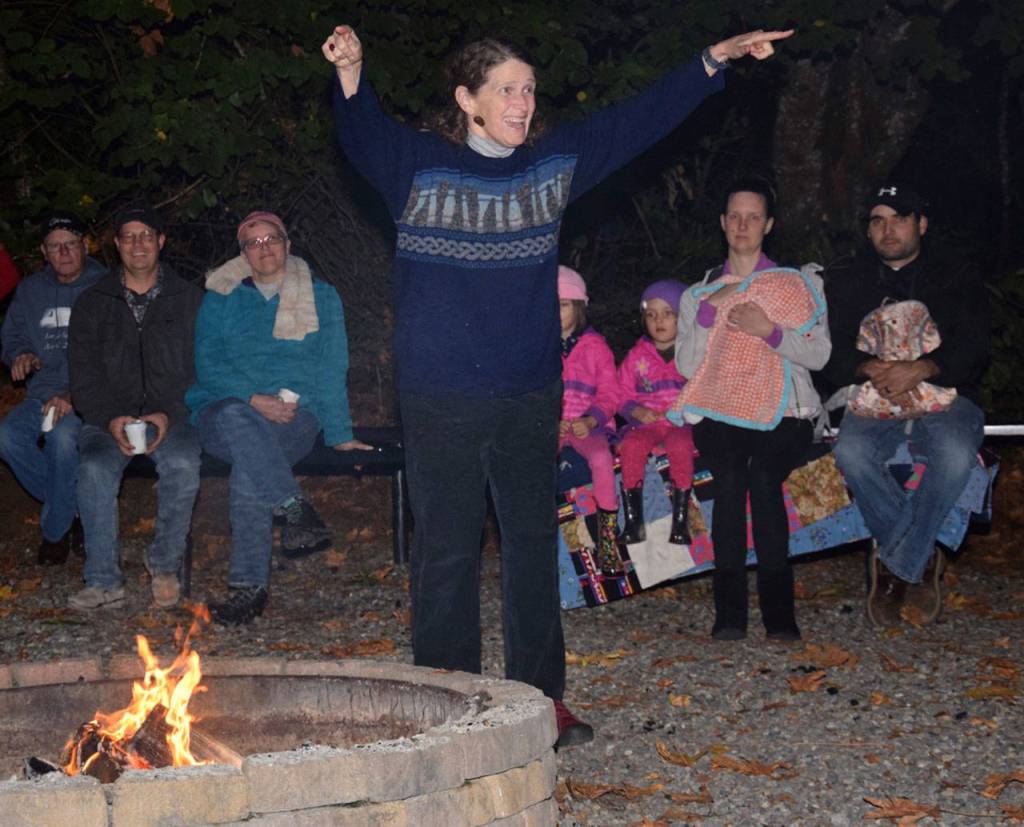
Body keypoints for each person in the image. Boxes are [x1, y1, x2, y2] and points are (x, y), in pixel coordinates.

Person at [321, 22, 792, 748]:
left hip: (526, 393)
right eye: (506, 89)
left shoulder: (551, 169)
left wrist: (709, 61)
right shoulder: (417, 166)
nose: (522, 101)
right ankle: (450, 701)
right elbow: (362, 133)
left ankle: (541, 698)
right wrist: (352, 73)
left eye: (529, 90)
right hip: (440, 396)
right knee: (445, 548)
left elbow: (634, 121)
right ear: (468, 100)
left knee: (532, 544)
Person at [185, 211, 371, 625]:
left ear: (288, 243)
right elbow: (207, 364)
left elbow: (330, 366)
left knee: (252, 468)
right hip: (223, 410)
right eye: (254, 242)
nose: (264, 248)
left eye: (272, 239)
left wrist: (339, 432)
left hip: (294, 417)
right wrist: (253, 399)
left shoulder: (321, 296)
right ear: (244, 253)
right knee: (238, 418)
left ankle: (248, 591)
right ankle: (293, 506)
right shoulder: (221, 296)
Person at [670, 178, 830, 642]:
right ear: (722, 224)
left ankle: (780, 615)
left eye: (753, 217)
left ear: (769, 225)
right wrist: (707, 312)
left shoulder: (795, 286)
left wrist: (771, 331)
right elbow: (685, 364)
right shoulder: (697, 294)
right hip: (722, 408)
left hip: (786, 412)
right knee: (732, 478)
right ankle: (730, 614)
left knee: (762, 477)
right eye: (734, 216)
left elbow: (819, 355)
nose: (742, 225)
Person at [822, 184, 989, 628]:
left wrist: (923, 368)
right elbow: (830, 355)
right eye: (878, 220)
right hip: (875, 396)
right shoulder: (847, 281)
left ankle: (896, 567)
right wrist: (869, 367)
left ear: (921, 224)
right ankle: (920, 553)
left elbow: (975, 346)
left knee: (954, 455)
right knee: (850, 454)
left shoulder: (955, 273)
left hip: (946, 394)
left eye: (899, 218)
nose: (888, 229)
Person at [67, 206, 203, 611]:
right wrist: (110, 418)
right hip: (108, 418)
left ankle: (163, 565)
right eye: (128, 236)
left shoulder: (191, 299)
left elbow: (204, 369)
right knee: (92, 468)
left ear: (161, 241)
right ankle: (104, 579)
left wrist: (169, 412)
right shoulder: (92, 304)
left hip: (171, 417)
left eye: (147, 235)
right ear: (116, 245)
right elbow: (83, 376)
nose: (138, 244)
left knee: (182, 463)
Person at [0, 213, 105, 564]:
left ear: (85, 247)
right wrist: (21, 354)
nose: (63, 252)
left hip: (86, 397)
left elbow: (116, 356)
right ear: (44, 252)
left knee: (62, 440)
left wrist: (74, 396)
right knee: (6, 436)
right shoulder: (30, 291)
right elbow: (12, 335)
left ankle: (55, 532)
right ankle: (74, 506)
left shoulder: (106, 287)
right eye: (55, 246)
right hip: (41, 395)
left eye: (71, 244)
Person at [617, 279, 694, 546]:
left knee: (681, 447)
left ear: (682, 318)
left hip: (681, 423)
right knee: (631, 446)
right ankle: (633, 522)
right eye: (651, 315)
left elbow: (703, 390)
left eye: (667, 314)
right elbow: (620, 394)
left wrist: (680, 411)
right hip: (647, 423)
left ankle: (680, 522)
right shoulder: (637, 357)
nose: (658, 321)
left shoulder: (691, 355)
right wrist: (635, 411)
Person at [557, 266, 621, 573]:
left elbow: (611, 392)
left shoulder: (595, 347)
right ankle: (544, 544)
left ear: (578, 307)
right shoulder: (541, 348)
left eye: (563, 304)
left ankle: (608, 541)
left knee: (600, 458)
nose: (555, 312)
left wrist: (592, 420)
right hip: (554, 427)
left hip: (586, 426)